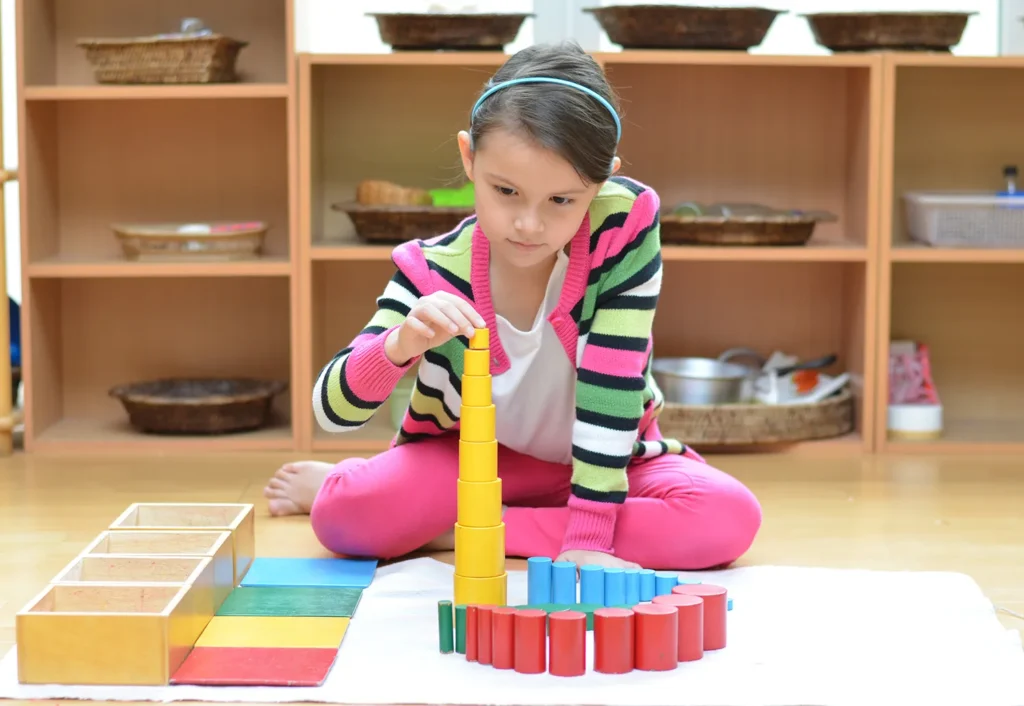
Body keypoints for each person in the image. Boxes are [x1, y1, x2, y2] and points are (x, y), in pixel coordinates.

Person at [264, 41, 762, 571]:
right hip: (471, 461)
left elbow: (613, 380)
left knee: (728, 517)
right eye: (506, 191)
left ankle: (470, 528)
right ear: (469, 158)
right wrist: (400, 344)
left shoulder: (625, 223)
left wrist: (589, 538)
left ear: (603, 180)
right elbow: (332, 409)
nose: (529, 225)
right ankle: (384, 493)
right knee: (343, 517)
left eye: (562, 201)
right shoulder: (431, 269)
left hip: (606, 461)